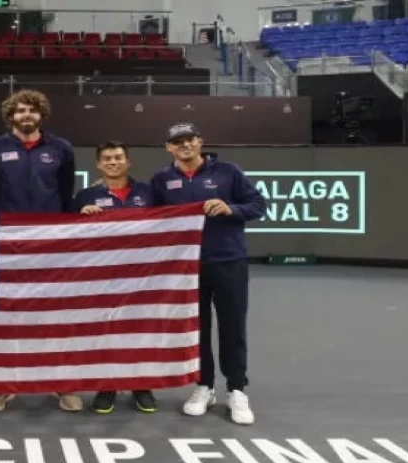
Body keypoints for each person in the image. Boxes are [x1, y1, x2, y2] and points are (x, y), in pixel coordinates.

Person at [149, 122, 266, 426]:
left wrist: (231, 209)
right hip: (186, 267)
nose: (184, 145)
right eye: (178, 142)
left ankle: (237, 389)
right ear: (168, 148)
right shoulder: (161, 180)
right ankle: (205, 386)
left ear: (200, 142)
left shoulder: (228, 172)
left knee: (232, 327)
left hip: (229, 261)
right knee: (196, 329)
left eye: (190, 140)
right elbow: (150, 221)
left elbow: (258, 205)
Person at [0, 89, 81, 413]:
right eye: (19, 111)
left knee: (53, 315)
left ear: (41, 114)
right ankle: (3, 385)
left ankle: (60, 385)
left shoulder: (61, 149)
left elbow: (65, 192)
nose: (26, 116)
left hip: (50, 242)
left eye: (32, 110)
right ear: (10, 116)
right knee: (7, 316)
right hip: (6, 241)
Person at [73, 141, 158, 414]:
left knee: (140, 329)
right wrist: (81, 216)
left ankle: (141, 384)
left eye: (118, 157)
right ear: (98, 164)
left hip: (142, 274)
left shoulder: (149, 193)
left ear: (128, 161)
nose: (113, 162)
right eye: (107, 158)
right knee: (106, 331)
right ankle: (107, 384)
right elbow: (71, 235)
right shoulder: (85, 196)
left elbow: (170, 222)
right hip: (103, 275)